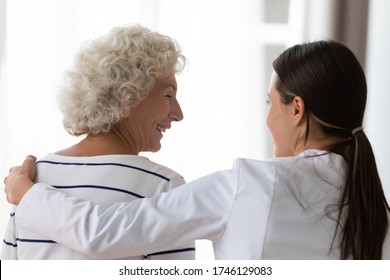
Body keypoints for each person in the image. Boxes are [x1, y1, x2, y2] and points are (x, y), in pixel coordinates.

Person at [4, 40, 390, 260]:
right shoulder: (376, 211)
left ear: (297, 109)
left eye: (269, 103)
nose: (268, 118)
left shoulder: (250, 184)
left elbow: (105, 231)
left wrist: (28, 194)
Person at [1, 24, 196, 260]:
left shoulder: (28, 182)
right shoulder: (163, 187)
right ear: (129, 95)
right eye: (168, 95)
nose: (179, 113)